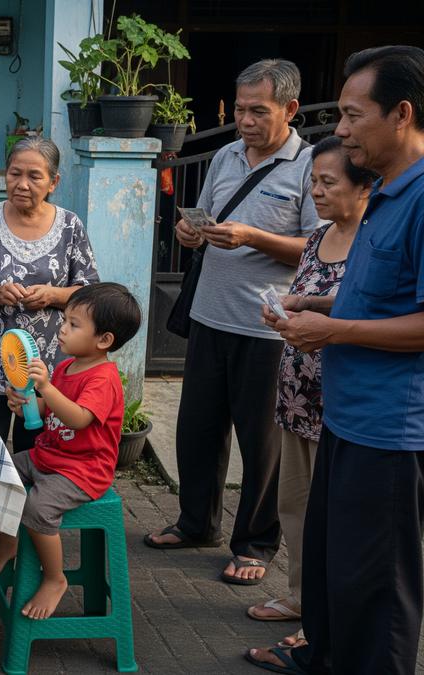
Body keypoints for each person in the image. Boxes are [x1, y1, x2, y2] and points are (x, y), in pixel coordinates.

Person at [248, 45, 424, 675]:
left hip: (391, 431)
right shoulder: (385, 195)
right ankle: (320, 657)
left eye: (353, 115)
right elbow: (381, 295)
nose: (341, 130)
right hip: (344, 419)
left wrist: (334, 329)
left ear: (401, 113)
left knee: (380, 585)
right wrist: (314, 302)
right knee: (333, 566)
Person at [145, 59, 321, 587]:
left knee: (262, 445)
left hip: (269, 329)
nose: (245, 120)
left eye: (258, 111)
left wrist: (254, 237)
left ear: (290, 109)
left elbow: (319, 249)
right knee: (198, 430)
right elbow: (204, 219)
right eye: (240, 109)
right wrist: (190, 233)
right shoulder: (224, 155)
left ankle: (256, 544)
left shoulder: (310, 166)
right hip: (209, 316)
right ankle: (196, 524)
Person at [242, 137, 374, 649]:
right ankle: (301, 597)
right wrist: (286, 309)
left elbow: (368, 312)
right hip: (297, 392)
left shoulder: (374, 241)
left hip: (341, 400)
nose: (316, 191)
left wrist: (312, 311)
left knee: (332, 516)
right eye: (313, 181)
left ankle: (323, 620)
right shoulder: (318, 237)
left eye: (328, 182)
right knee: (294, 504)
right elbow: (309, 300)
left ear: (363, 187)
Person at [0, 282, 141, 619]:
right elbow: (50, 410)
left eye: (73, 324)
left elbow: (79, 418)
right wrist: (26, 403)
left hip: (82, 470)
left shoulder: (103, 379)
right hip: (49, 456)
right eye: (65, 320)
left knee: (38, 508)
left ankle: (55, 578)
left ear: (104, 340)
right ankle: (8, 541)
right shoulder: (69, 366)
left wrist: (46, 387)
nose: (63, 329)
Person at [0, 137, 100, 455]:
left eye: (34, 176)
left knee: (38, 453)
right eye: (15, 173)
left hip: (47, 370)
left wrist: (53, 294)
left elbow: (89, 292)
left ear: (53, 182)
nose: (22, 184)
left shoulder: (70, 226)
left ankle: (29, 491)